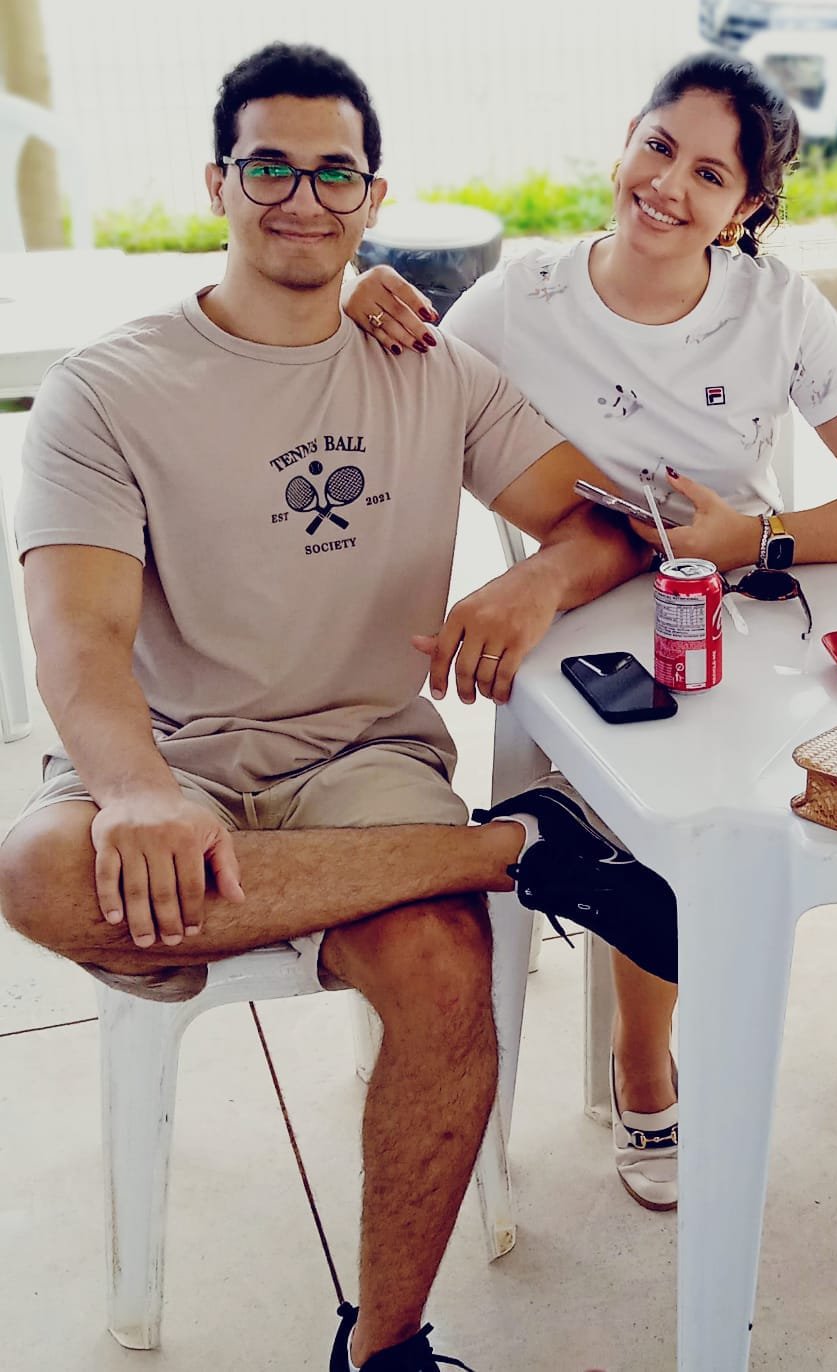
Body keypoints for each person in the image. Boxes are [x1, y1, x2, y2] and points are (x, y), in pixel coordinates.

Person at [0, 43, 669, 1372]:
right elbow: (77, 640)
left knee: (440, 967)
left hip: (362, 754)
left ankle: (387, 1348)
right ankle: (519, 849)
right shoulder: (108, 388)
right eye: (269, 169)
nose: (301, 200)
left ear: (374, 194)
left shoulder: (430, 367)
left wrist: (532, 581)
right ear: (216, 182)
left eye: (333, 174)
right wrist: (135, 791)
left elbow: (612, 524)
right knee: (36, 870)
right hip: (173, 749)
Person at [344, 52, 837, 1211]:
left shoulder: (776, 307)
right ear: (626, 138)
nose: (669, 185)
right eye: (660, 146)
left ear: (748, 207)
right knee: (672, 822)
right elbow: (385, 392)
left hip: (749, 616)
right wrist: (356, 301)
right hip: (587, 637)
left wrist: (753, 537)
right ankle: (641, 1065)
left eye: (711, 174)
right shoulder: (520, 302)